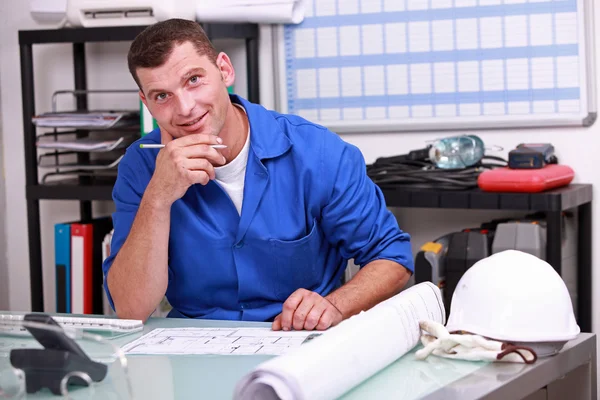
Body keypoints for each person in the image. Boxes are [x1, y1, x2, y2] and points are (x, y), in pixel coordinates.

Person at [102, 18, 414, 331]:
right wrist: (158, 195)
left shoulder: (316, 151)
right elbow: (131, 309)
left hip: (299, 341)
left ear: (224, 70)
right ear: (146, 103)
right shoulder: (140, 166)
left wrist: (333, 306)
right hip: (193, 345)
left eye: (194, 80)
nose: (185, 108)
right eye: (162, 96)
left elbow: (392, 257)